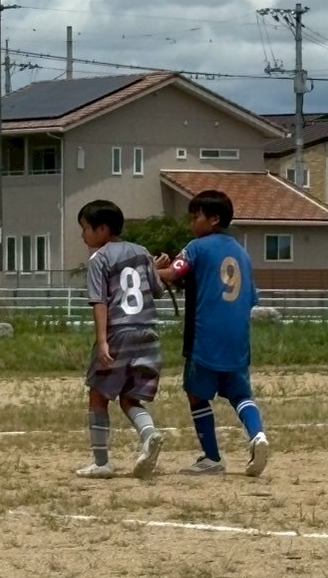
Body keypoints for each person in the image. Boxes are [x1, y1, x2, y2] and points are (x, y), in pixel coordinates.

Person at [155, 189, 270, 478]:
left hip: (205, 335)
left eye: (195, 217)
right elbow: (251, 299)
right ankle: (258, 436)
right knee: (240, 394)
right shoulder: (242, 253)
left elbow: (173, 273)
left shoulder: (196, 247)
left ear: (214, 219)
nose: (191, 223)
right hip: (238, 337)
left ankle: (212, 457)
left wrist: (147, 268)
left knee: (196, 393)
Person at [75, 199, 166, 480]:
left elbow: (99, 302)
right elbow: (158, 290)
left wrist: (103, 341)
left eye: (85, 229)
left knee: (98, 394)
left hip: (119, 333)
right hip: (148, 333)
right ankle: (149, 434)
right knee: (130, 397)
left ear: (102, 229)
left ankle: (101, 462)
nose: (83, 236)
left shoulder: (99, 259)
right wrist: (153, 267)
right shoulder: (142, 252)